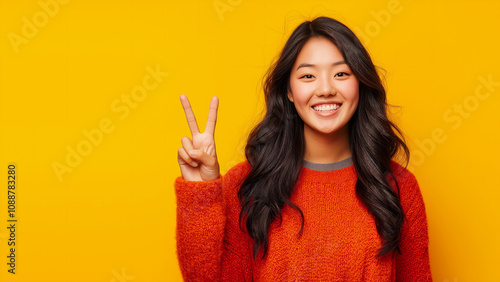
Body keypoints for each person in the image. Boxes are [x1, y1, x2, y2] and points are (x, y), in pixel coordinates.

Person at [175, 16, 432, 281]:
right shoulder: (247, 185)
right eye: (308, 76)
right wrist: (200, 195)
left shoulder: (397, 187)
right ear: (288, 90)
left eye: (341, 73)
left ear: (360, 84)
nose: (325, 89)